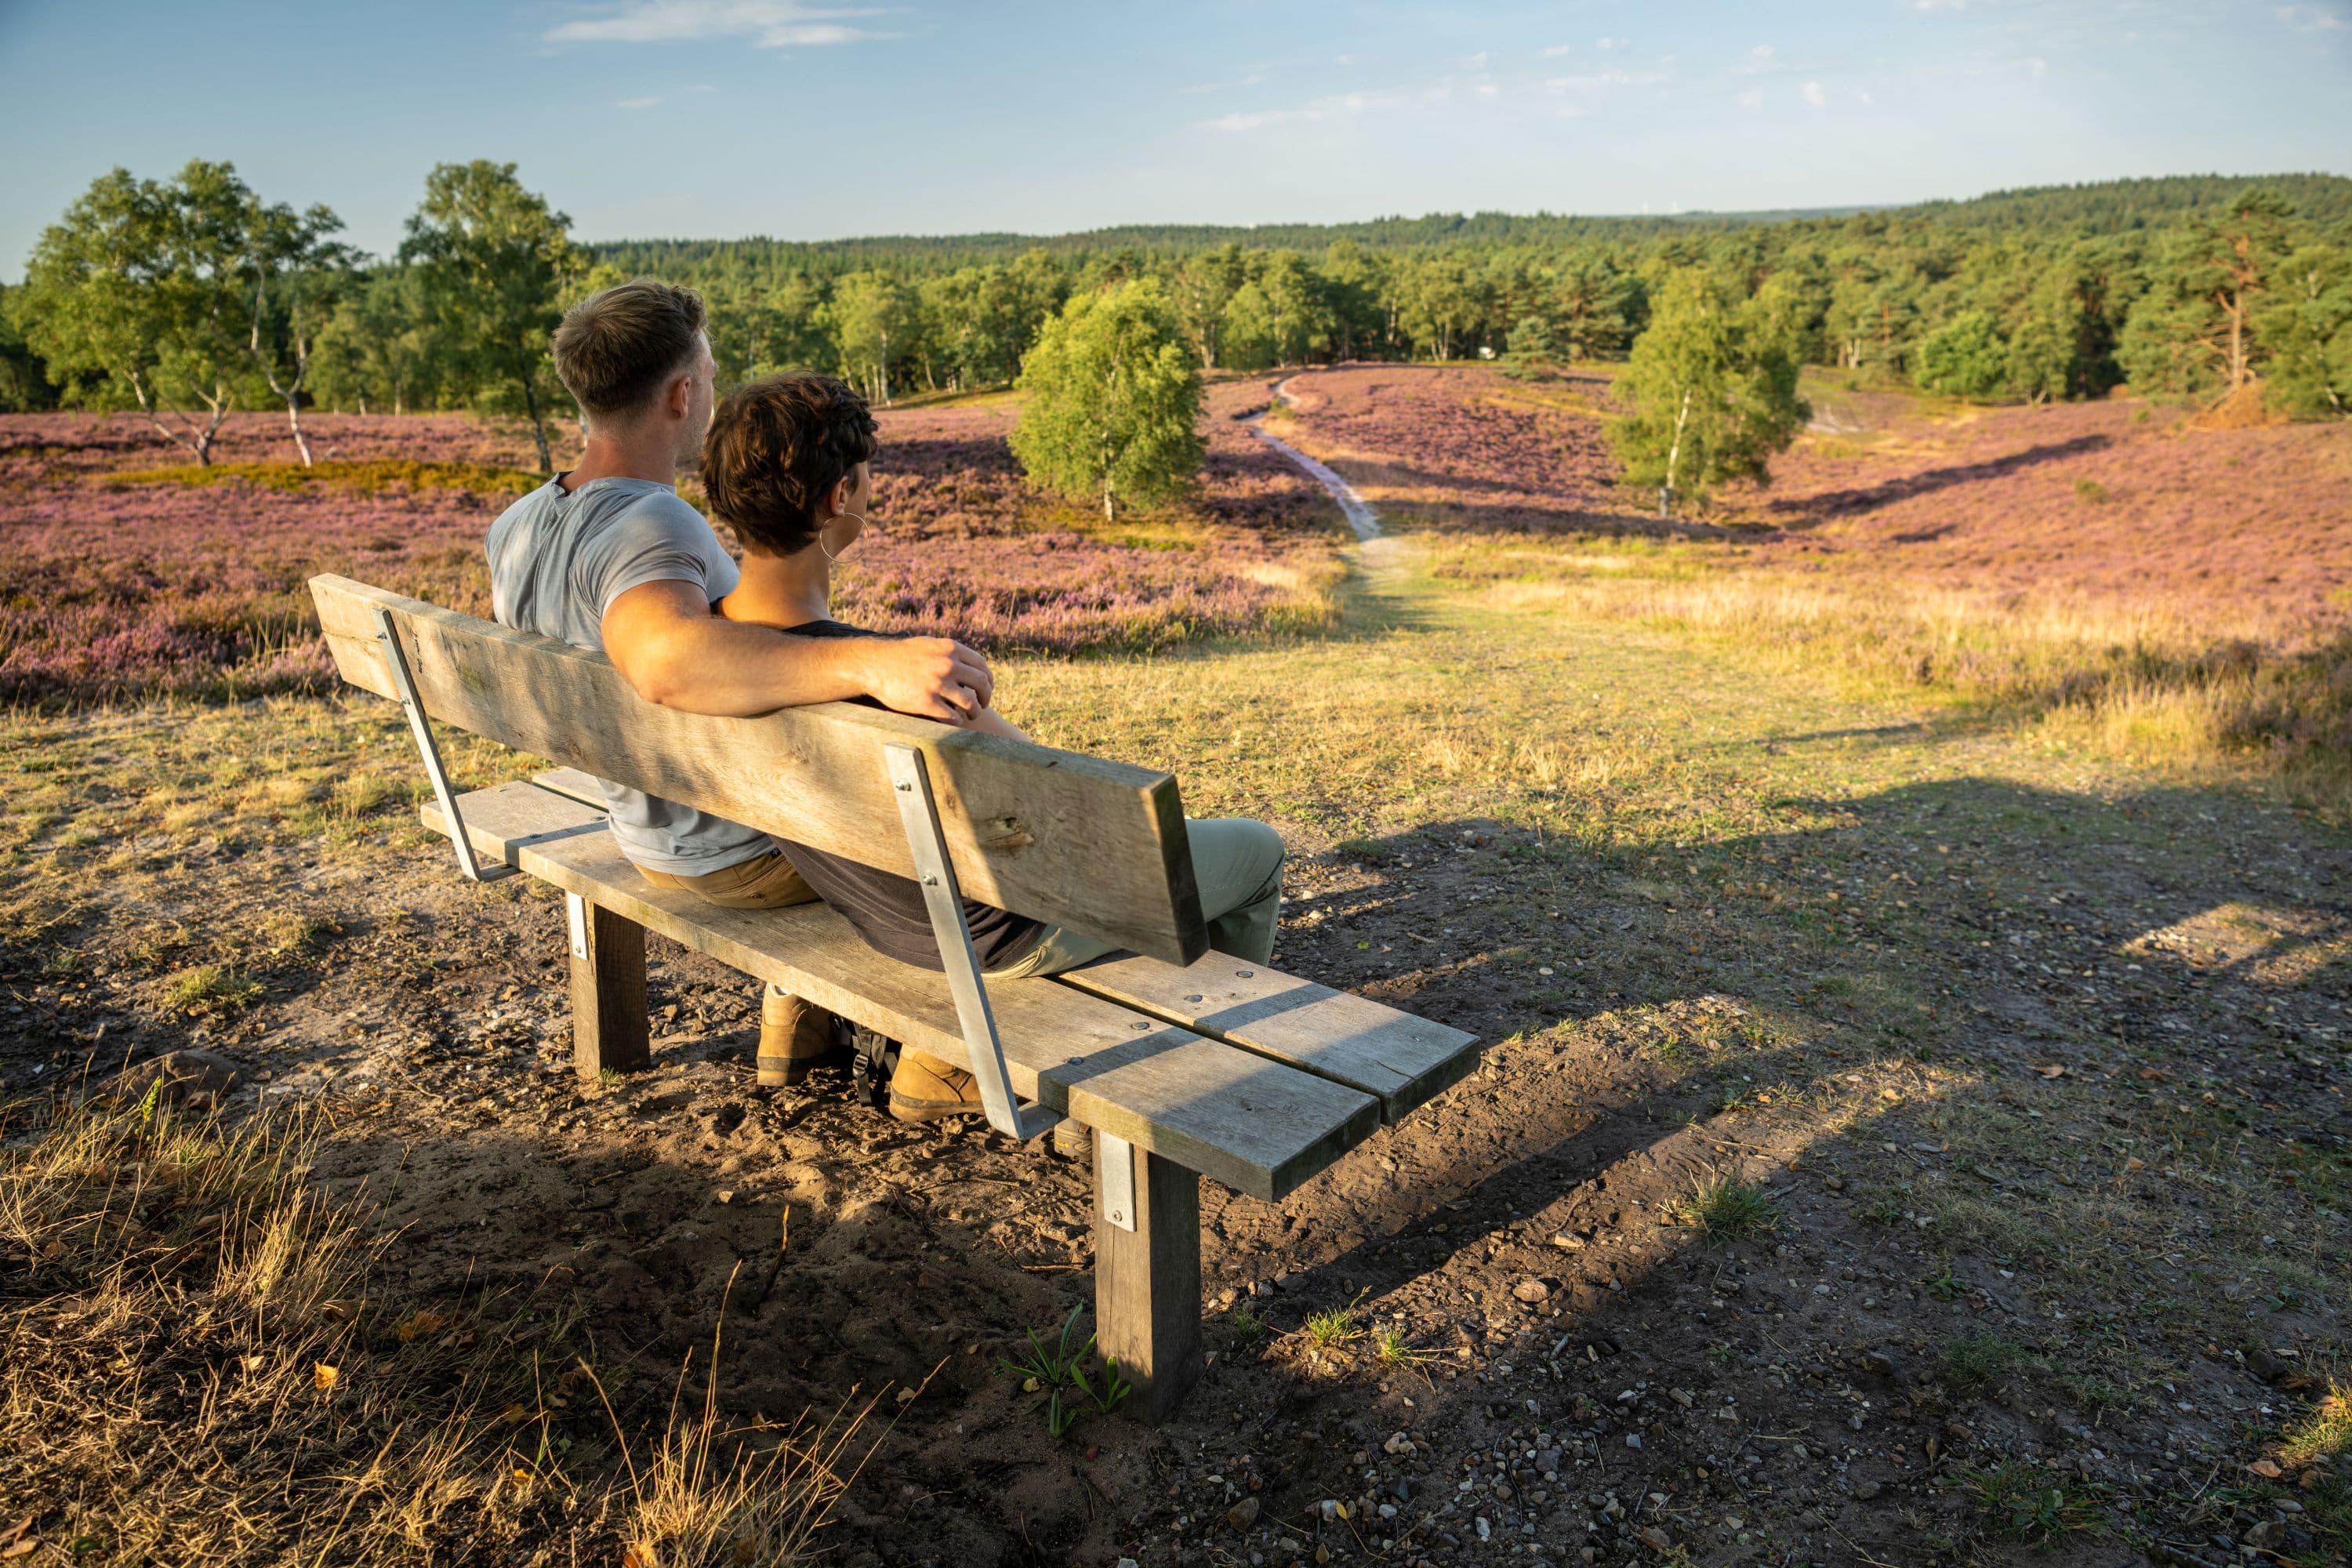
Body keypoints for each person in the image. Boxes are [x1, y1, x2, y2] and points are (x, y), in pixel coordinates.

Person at [698, 371, 1287, 1122]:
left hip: (880, 920)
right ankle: (1194, 1076)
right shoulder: (894, 679)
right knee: (1257, 852)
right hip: (997, 937)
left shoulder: (702, 657)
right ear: (839, 497)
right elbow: (1073, 807)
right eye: (865, 477)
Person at [485, 278, 994, 1090]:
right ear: (682, 394)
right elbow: (666, 663)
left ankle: (794, 1015)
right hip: (736, 847)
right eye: (711, 374)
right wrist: (869, 661)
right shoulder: (651, 523)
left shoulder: (516, 525)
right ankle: (940, 1050)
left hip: (643, 825)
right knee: (942, 825)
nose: (713, 390)